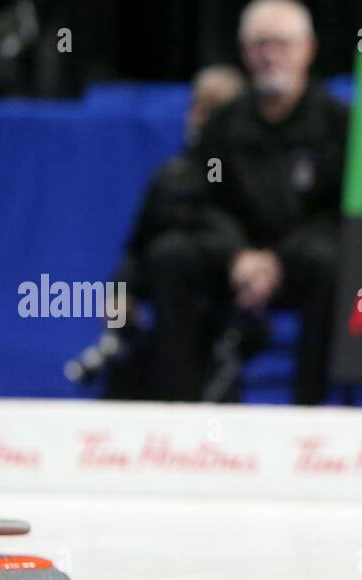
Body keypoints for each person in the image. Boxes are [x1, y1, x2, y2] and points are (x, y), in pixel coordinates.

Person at [146, 0, 347, 403]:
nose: (270, 55)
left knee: (333, 263)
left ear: (308, 48)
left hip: (301, 263)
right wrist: (237, 255)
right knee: (170, 255)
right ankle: (176, 408)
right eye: (259, 44)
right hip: (234, 263)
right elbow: (200, 203)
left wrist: (278, 261)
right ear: (243, 53)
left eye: (282, 44)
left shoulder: (338, 123)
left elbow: (340, 211)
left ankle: (311, 412)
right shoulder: (222, 124)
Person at [101, 65, 247, 401]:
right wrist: (121, 291)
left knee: (173, 256)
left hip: (229, 292)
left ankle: (179, 402)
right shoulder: (172, 174)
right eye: (196, 107)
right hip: (172, 296)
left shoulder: (246, 176)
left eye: (214, 110)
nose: (199, 118)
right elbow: (137, 244)